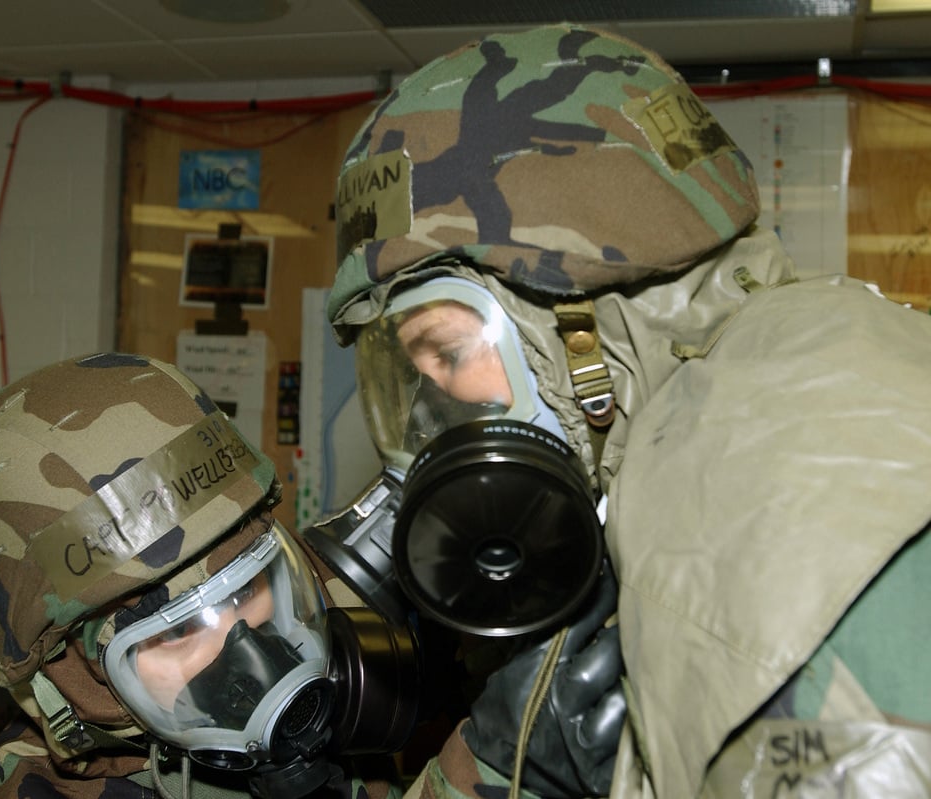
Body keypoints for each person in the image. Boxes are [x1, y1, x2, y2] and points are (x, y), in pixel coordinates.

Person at [324, 22, 931, 798]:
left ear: (574, 313)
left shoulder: (749, 479)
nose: (444, 408)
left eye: (446, 351)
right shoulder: (789, 382)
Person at [0, 352, 418, 799]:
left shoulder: (346, 636)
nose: (250, 654)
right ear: (81, 682)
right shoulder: (39, 787)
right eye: (178, 631)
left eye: (246, 589)